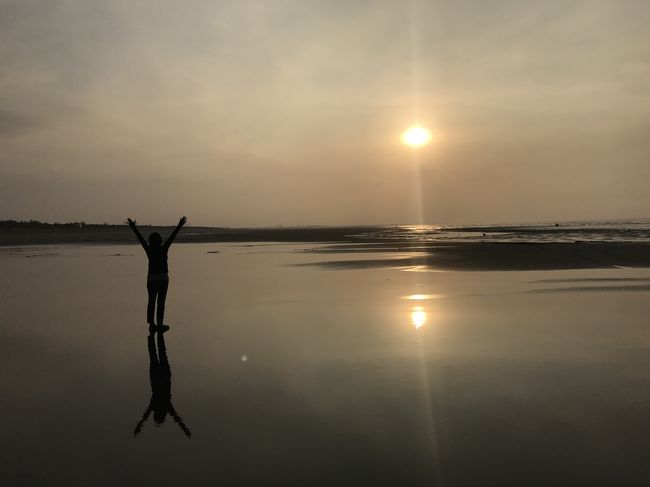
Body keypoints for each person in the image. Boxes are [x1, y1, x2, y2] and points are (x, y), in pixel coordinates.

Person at [127, 216, 187, 330]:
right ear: (160, 241)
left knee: (151, 301)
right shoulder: (163, 248)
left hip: (152, 278)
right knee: (161, 302)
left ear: (150, 241)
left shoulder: (149, 249)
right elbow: (171, 237)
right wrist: (179, 225)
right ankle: (159, 324)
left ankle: (151, 324)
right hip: (163, 278)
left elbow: (140, 239)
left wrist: (133, 227)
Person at [133, 330, 191, 438]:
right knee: (155, 355)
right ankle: (153, 336)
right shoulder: (161, 405)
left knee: (160, 353)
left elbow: (176, 418)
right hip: (159, 378)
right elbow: (146, 416)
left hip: (162, 378)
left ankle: (156, 335)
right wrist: (185, 430)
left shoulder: (164, 405)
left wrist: (185, 430)